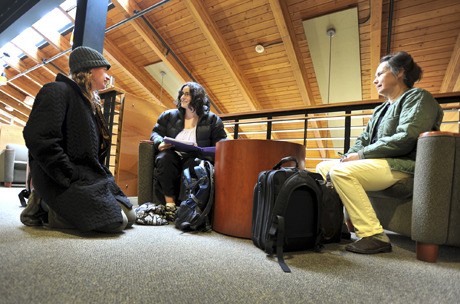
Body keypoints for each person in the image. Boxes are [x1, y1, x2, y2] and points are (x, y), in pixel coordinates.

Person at [316, 51, 443, 254]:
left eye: (379, 74)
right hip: (379, 163)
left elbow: (407, 136)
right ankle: (335, 227)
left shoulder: (418, 97)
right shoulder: (380, 110)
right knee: (324, 167)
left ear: (399, 72)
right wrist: (348, 157)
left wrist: (361, 155)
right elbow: (363, 141)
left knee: (341, 173)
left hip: (402, 165)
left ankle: (374, 235)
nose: (375, 81)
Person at [22, 46, 135, 233]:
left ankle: (53, 206)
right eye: (104, 71)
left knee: (130, 217)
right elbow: (39, 137)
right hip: (61, 178)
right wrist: (68, 174)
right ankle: (44, 206)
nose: (107, 77)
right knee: (117, 222)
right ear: (90, 70)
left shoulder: (88, 102)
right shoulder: (56, 90)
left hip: (86, 177)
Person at [150, 82, 227, 219]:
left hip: (196, 157)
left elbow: (221, 142)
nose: (182, 97)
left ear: (197, 97)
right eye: (182, 94)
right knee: (164, 159)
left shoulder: (213, 120)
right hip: (172, 153)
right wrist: (159, 143)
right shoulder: (168, 116)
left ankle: (188, 206)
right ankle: (170, 205)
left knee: (193, 165)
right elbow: (156, 133)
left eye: (187, 94)